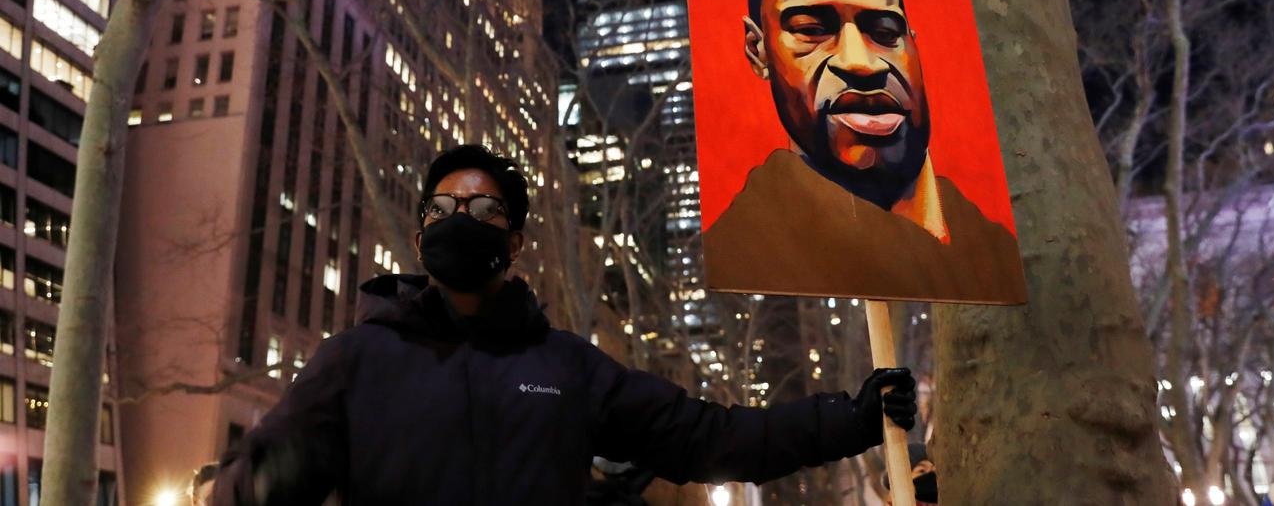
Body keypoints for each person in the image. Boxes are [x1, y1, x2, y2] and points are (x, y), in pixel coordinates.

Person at [213, 144, 918, 504]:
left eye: (485, 209)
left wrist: (850, 419)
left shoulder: (568, 367)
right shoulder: (356, 359)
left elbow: (709, 436)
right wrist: (269, 482)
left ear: (515, 240)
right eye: (441, 206)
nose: (460, 218)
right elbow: (238, 490)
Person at [703, 0, 1027, 303]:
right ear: (757, 50)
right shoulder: (743, 248)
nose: (861, 61)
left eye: (887, 33)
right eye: (810, 31)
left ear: (913, 44)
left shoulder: (996, 254)